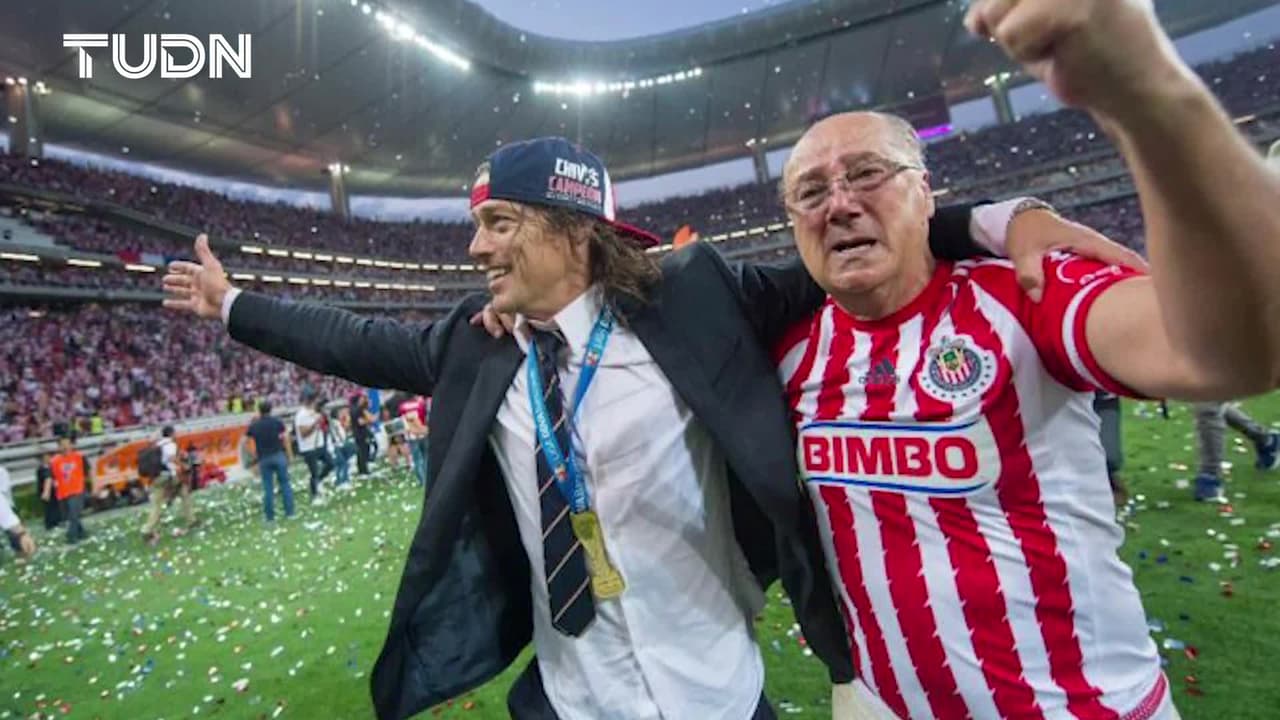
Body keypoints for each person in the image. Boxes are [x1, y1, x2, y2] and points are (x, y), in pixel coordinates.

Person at [164, 132, 1132, 718]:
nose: (475, 246)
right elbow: (355, 342)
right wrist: (232, 303)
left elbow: (843, 255)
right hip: (569, 701)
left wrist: (1001, 221)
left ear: (570, 228)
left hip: (718, 692)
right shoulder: (477, 344)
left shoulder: (695, 297)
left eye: (499, 223)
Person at [772, 0, 1280, 716]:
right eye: (811, 192)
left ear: (926, 193)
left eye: (867, 173)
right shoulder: (788, 347)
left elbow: (1235, 350)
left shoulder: (1026, 289)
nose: (840, 204)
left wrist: (1145, 91)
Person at [141, 425, 197, 544]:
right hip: (169, 477)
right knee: (182, 493)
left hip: (156, 477)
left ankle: (148, 529)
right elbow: (171, 458)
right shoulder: (170, 444)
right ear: (171, 433)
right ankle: (190, 519)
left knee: (164, 502)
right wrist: (183, 465)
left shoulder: (157, 445)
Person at [244, 400, 296, 522]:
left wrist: (254, 455)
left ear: (259, 410)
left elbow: (246, 442)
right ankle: (290, 512)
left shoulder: (255, 425)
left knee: (268, 488)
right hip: (278, 455)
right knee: (285, 484)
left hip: (264, 458)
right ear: (271, 409)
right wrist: (290, 455)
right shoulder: (277, 422)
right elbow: (286, 438)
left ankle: (270, 517)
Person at [46, 434, 90, 544]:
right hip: (63, 493)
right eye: (62, 445)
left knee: (73, 513)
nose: (65, 447)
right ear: (58, 447)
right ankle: (82, 533)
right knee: (70, 515)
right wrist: (46, 491)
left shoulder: (79, 457)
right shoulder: (54, 461)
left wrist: (95, 485)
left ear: (71, 445)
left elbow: (89, 471)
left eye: (67, 444)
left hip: (77, 490)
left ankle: (71, 537)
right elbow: (49, 477)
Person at [294, 391, 333, 501]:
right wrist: (315, 423)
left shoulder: (315, 412)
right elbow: (303, 433)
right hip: (308, 448)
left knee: (330, 463)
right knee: (314, 471)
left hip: (319, 445)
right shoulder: (301, 415)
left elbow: (325, 426)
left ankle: (319, 481)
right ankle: (314, 494)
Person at [0, 464, 35, 560]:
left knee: (15, 539)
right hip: (7, 508)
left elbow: (3, 494)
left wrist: (21, 533)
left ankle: (21, 553)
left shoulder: (1, 471)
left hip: (8, 507)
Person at [399, 394, 430, 487]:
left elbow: (402, 420)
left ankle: (422, 480)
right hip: (422, 433)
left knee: (417, 459)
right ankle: (427, 478)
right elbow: (424, 418)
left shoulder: (402, 407)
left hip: (411, 435)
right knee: (425, 457)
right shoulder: (420, 404)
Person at [327, 405, 355, 488]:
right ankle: (343, 481)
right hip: (337, 446)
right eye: (339, 413)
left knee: (341, 464)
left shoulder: (335, 423)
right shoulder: (334, 424)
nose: (341, 415)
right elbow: (338, 435)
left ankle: (340, 480)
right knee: (343, 464)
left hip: (338, 445)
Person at [35, 451, 61, 530]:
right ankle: (51, 525)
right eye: (45, 457)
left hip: (52, 491)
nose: (48, 458)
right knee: (49, 509)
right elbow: (47, 479)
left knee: (54, 508)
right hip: (47, 492)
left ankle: (55, 523)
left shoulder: (49, 467)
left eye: (48, 456)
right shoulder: (43, 468)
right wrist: (46, 492)